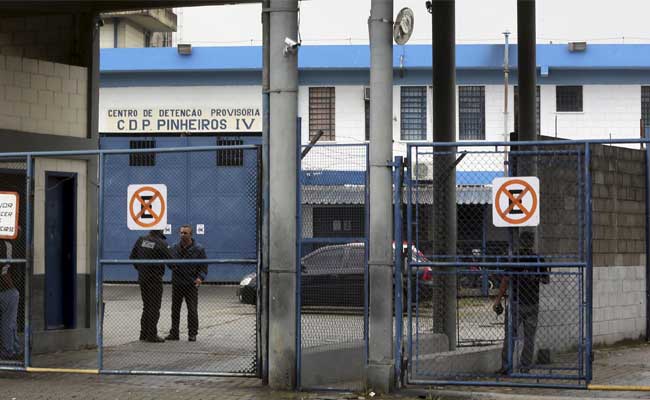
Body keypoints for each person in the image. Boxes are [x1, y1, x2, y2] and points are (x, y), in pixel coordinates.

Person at [493, 231, 549, 374]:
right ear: (532, 243)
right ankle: (525, 367)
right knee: (529, 338)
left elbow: (506, 279)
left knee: (510, 336)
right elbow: (546, 280)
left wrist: (498, 299)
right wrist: (534, 276)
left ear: (520, 242)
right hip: (531, 302)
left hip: (517, 302)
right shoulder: (537, 259)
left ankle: (506, 367)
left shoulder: (516, 259)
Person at [166, 225, 207, 342]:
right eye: (181, 233)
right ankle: (174, 333)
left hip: (191, 284)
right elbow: (168, 262)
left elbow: (204, 266)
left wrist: (200, 278)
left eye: (185, 233)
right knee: (175, 309)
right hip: (177, 283)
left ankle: (192, 333)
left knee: (192, 310)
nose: (182, 235)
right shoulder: (174, 247)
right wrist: (172, 267)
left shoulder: (199, 249)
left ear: (191, 234)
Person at [130, 230, 171, 343]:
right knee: (154, 307)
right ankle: (152, 335)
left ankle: (143, 334)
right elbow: (172, 262)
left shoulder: (141, 240)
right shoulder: (161, 243)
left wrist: (141, 270)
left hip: (143, 278)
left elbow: (132, 257)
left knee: (147, 306)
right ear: (161, 232)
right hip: (155, 279)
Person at [0, 235, 21, 360]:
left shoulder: (7, 246)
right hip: (8, 289)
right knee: (10, 322)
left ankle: (10, 349)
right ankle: (12, 348)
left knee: (9, 322)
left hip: (7, 289)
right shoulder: (8, 246)